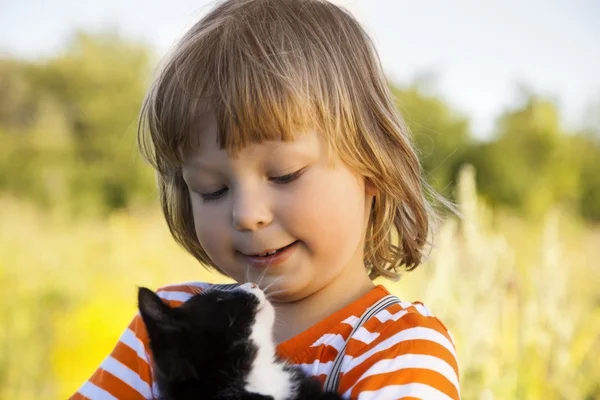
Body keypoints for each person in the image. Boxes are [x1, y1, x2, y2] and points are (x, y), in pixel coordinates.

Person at [71, 0, 460, 398]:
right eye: (212, 189)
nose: (247, 215)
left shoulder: (399, 349)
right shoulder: (173, 332)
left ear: (373, 165)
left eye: (285, 174)